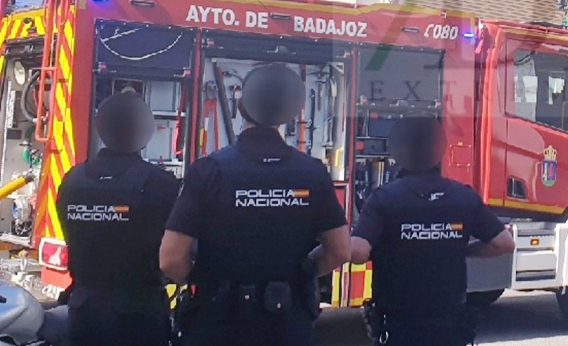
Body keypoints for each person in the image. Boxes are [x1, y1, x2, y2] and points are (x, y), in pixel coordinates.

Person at [159, 63, 350, 346]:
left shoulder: (208, 171)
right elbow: (340, 251)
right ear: (291, 112)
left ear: (240, 103)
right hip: (288, 324)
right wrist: (303, 272)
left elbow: (171, 260)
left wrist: (208, 281)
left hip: (218, 324)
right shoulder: (312, 173)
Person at [351, 116, 515, 346]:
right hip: (449, 325)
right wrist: (464, 250)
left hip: (400, 325)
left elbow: (357, 253)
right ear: (439, 153)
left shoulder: (384, 199)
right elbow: (505, 244)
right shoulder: (464, 197)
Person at [56, 91, 180, 346]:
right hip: (139, 315)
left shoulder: (72, 180)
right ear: (144, 132)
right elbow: (176, 251)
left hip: (83, 311)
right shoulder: (160, 183)